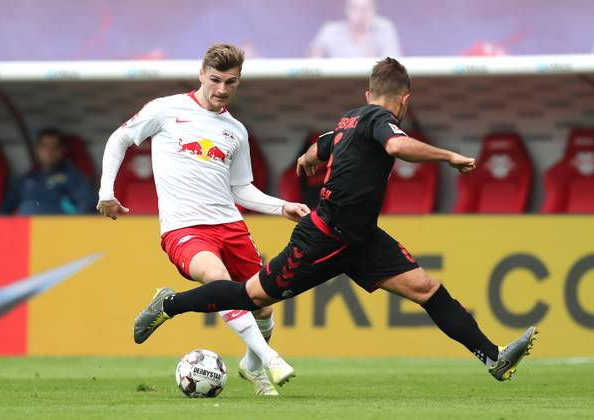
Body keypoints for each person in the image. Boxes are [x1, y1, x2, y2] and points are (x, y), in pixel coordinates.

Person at [134, 57, 538, 383]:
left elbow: (321, 146)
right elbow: (396, 147)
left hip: (362, 240)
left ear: (368, 93)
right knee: (250, 296)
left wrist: (306, 159)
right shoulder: (381, 120)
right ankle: (169, 304)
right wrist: (449, 156)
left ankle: (493, 358)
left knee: (426, 289)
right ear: (405, 100)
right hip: (323, 238)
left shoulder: (350, 120)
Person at [97, 44, 309, 396]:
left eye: (231, 82)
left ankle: (252, 366)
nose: (222, 89)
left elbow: (240, 188)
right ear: (201, 74)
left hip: (231, 226)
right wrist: (107, 191)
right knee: (217, 278)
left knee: (262, 305)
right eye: (215, 80)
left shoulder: (235, 131)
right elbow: (120, 139)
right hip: (184, 228)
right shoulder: (166, 109)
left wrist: (281, 206)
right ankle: (270, 359)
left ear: (238, 82)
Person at [0, 128, 97, 215]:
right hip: (27, 228)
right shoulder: (25, 180)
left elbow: (88, 205)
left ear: (62, 149)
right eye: (45, 146)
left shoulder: (74, 177)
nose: (50, 151)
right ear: (38, 150)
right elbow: (3, 211)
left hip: (60, 227)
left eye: (55, 146)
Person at [309, 0, 402, 58]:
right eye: (355, 8)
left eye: (366, 8)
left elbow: (394, 65)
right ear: (347, 10)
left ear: (374, 9)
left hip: (374, 82)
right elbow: (313, 59)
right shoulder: (330, 30)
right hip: (337, 82)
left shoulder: (385, 29)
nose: (361, 13)